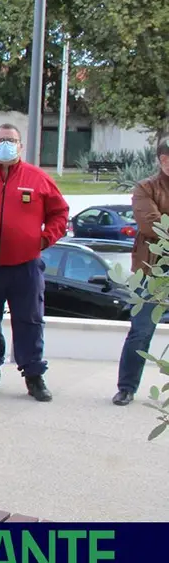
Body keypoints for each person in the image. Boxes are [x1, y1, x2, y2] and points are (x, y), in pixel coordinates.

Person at [0, 123, 69, 402]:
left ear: (20, 146)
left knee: (29, 320)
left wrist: (44, 239)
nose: (5, 144)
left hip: (25, 265)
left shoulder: (37, 179)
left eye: (11, 140)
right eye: (0, 140)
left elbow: (60, 214)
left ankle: (33, 375)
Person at [114, 140, 169, 406]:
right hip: (152, 270)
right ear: (162, 160)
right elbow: (153, 226)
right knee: (141, 331)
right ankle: (126, 387)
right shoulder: (145, 188)